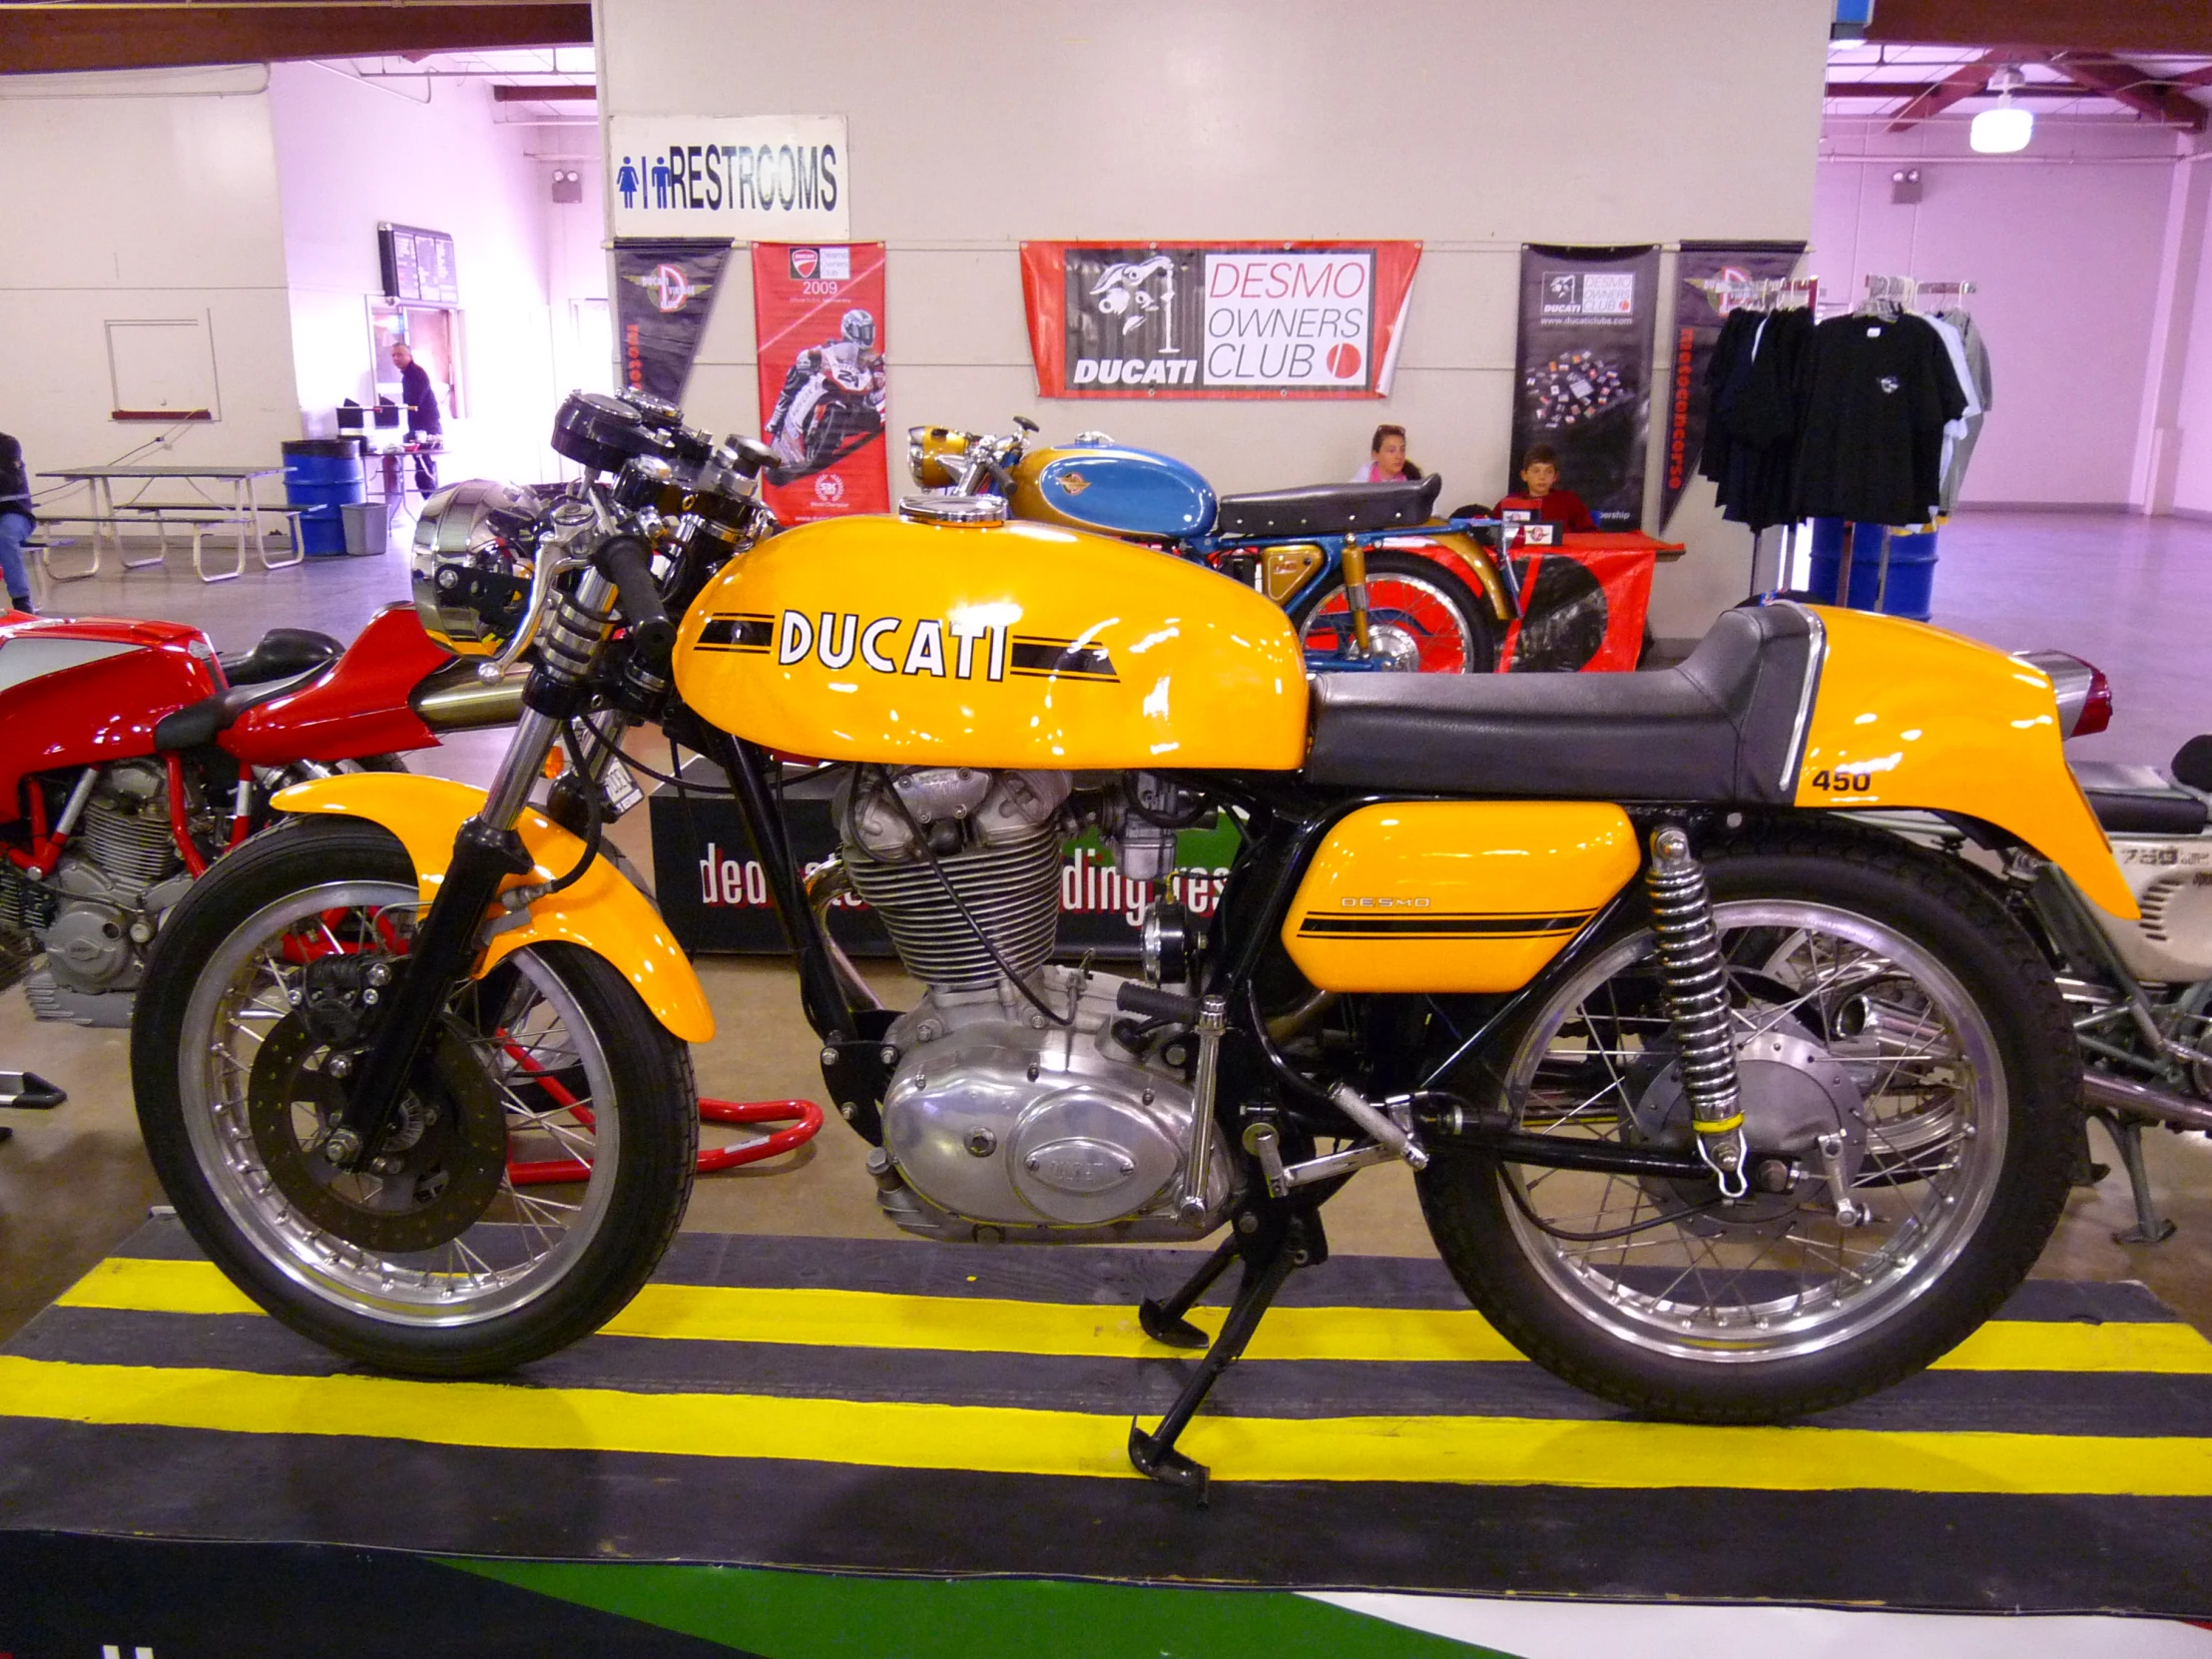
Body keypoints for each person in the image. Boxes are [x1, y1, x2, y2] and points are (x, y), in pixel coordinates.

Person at [1498, 443, 1595, 532]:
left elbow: (1590, 534)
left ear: (1555, 476)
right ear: (1524, 475)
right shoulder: (1509, 503)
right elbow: (1492, 535)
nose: (1542, 477)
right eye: (1536, 471)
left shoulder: (1569, 501)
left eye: (1548, 472)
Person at [390, 342, 442, 494]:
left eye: (400, 354)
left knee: (425, 468)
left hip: (427, 427)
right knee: (421, 466)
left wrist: (399, 408)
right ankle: (429, 502)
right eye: (393, 355)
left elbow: (414, 403)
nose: (396, 358)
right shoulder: (407, 376)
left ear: (409, 356)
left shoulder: (417, 374)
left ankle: (431, 503)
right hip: (417, 426)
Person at [0, 431, 38, 613]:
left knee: (4, 537)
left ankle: (21, 600)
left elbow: (9, 482)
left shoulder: (7, 444)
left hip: (14, 512)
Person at [1351, 423, 1423, 484]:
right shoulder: (1364, 475)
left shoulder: (1411, 477)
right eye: (1391, 451)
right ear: (1375, 455)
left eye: (1402, 450)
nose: (1399, 456)